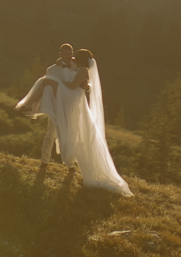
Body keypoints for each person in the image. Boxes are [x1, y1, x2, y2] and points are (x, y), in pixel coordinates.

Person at [16, 43, 131, 196]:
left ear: (74, 56)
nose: (69, 56)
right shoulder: (53, 69)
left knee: (70, 134)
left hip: (71, 101)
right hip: (59, 104)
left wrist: (85, 85)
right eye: (65, 54)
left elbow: (83, 83)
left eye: (71, 54)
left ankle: (70, 163)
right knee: (51, 133)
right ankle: (45, 161)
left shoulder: (79, 67)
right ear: (60, 54)